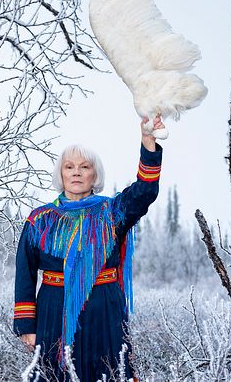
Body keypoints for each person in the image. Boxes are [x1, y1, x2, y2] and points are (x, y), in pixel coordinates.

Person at [13, 116, 164, 381]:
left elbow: (145, 191)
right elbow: (25, 272)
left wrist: (147, 142)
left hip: (104, 308)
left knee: (108, 371)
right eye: (69, 166)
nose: (76, 172)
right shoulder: (40, 220)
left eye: (85, 167)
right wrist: (27, 325)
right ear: (61, 173)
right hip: (53, 311)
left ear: (95, 174)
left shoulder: (112, 212)